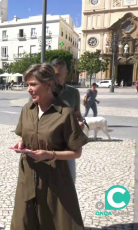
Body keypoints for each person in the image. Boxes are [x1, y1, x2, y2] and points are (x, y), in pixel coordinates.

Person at [11, 63, 88, 230]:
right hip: (28, 177)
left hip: (55, 180)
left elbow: (76, 152)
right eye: (27, 85)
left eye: (33, 84)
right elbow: (23, 136)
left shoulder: (65, 113)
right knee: (25, 221)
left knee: (54, 223)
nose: (29, 89)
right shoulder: (27, 109)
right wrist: (21, 143)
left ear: (48, 84)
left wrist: (49, 154)